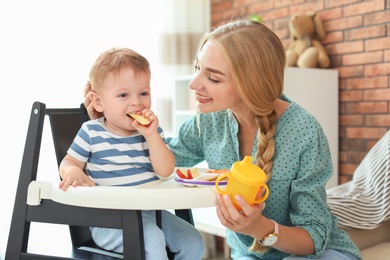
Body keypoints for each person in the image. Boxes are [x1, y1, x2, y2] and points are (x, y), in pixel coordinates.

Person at [83, 21, 362, 259]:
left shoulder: (303, 132)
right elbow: (163, 158)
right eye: (198, 69)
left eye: (213, 78)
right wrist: (109, 119)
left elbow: (315, 237)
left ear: (249, 84)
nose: (194, 84)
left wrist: (258, 227)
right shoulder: (211, 120)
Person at [59, 47, 204, 260]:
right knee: (152, 239)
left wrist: (152, 136)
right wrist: (72, 172)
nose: (136, 102)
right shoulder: (91, 131)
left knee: (193, 240)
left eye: (143, 93)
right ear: (99, 102)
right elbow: (68, 162)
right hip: (109, 221)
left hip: (151, 214)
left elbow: (165, 171)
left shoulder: (152, 132)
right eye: (123, 95)